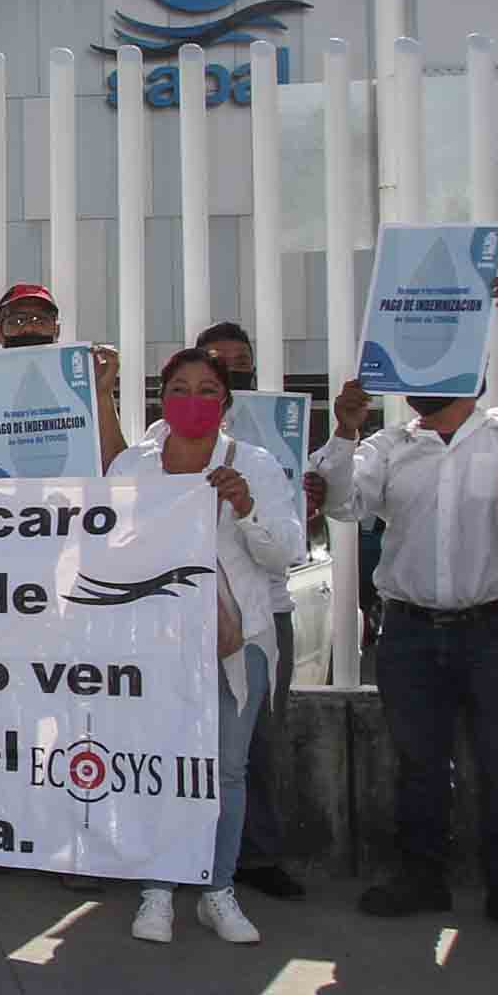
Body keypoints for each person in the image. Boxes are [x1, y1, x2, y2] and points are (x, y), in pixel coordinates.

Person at [312, 272, 498, 943]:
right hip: (409, 630)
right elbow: (343, 503)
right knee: (417, 762)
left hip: (494, 627)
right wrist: (344, 431)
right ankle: (421, 876)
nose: (425, 379)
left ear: (475, 374)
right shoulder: (387, 446)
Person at [110, 348, 301, 945]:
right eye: (180, 388)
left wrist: (245, 508)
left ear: (226, 402)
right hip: (156, 636)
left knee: (227, 769)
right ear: (161, 397)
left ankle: (218, 890)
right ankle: (158, 890)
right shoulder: (132, 466)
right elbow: (106, 546)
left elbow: (285, 554)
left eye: (207, 390)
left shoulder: (256, 464)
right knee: (159, 762)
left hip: (236, 640)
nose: (193, 400)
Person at [190, 320, 308, 901]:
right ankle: (183, 856)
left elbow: (287, 545)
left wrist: (251, 505)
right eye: (218, 361)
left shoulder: (264, 450)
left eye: (240, 362)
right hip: (185, 616)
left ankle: (255, 856)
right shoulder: (154, 448)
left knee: (252, 744)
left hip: (260, 614)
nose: (231, 369)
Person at [0, 281, 128, 480]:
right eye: (16, 321)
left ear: (56, 330)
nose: (29, 328)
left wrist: (103, 395)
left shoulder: (85, 388)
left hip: (70, 501)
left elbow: (119, 472)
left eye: (40, 320)